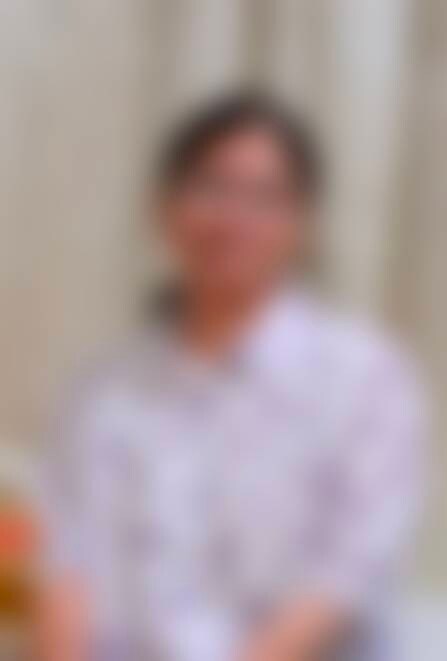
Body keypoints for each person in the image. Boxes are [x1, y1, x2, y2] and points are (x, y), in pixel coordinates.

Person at [38, 94, 425, 661]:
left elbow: (347, 572)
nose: (233, 218)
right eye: (211, 187)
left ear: (302, 222)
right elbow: (70, 565)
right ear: (162, 206)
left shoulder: (365, 376)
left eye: (264, 197)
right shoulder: (103, 390)